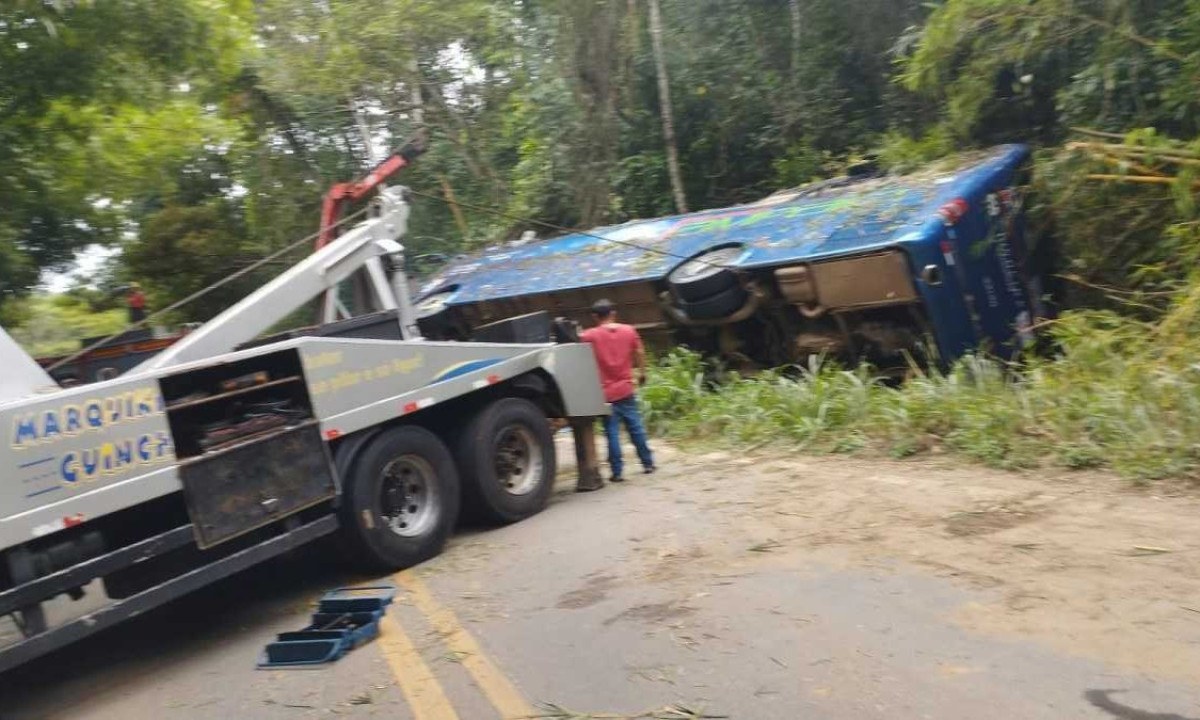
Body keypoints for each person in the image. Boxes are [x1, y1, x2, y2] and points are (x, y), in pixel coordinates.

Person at [580, 299, 656, 483]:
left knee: (612, 432)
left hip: (605, 393)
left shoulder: (589, 336)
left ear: (594, 317)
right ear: (613, 313)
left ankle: (617, 472)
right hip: (626, 388)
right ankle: (647, 463)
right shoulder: (629, 331)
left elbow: (574, 342)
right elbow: (639, 353)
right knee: (636, 427)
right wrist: (642, 373)